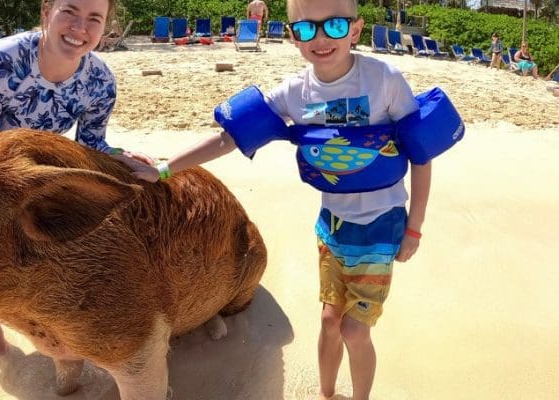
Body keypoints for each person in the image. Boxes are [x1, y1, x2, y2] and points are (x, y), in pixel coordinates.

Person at [127, 0, 432, 399]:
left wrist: (415, 228)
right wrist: (166, 168)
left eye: (334, 27)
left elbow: (422, 154)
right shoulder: (295, 92)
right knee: (328, 321)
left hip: (381, 225)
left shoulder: (384, 80)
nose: (320, 38)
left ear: (355, 30)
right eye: (306, 29)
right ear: (293, 37)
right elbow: (230, 137)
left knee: (355, 330)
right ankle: (325, 394)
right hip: (332, 226)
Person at [0, 0, 150, 355]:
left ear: (104, 26)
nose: (80, 28)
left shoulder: (99, 81)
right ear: (46, 12)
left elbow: (91, 144)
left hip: (27, 147)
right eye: (70, 12)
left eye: (93, 19)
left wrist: (121, 157)